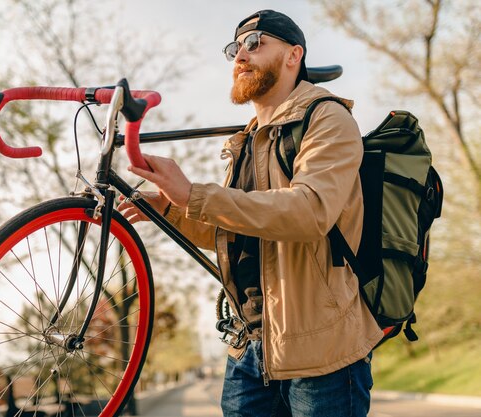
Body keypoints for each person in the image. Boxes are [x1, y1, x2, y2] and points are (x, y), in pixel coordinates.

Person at [117, 9, 383, 417]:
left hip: (321, 354)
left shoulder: (327, 117)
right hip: (248, 350)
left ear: (294, 55)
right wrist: (173, 207)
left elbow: (310, 212)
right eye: (234, 47)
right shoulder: (245, 142)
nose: (241, 54)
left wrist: (194, 193)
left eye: (255, 42)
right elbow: (237, 231)